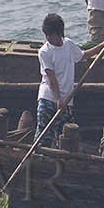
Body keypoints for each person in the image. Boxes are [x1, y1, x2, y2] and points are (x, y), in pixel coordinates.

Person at [36, 12, 85, 141]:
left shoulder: (68, 45)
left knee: (67, 134)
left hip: (67, 100)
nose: (48, 38)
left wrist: (103, 46)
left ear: (59, 33)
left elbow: (81, 56)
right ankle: (39, 159)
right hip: (49, 99)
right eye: (46, 35)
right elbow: (51, 79)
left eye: (51, 34)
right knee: (44, 136)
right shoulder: (44, 51)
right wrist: (58, 99)